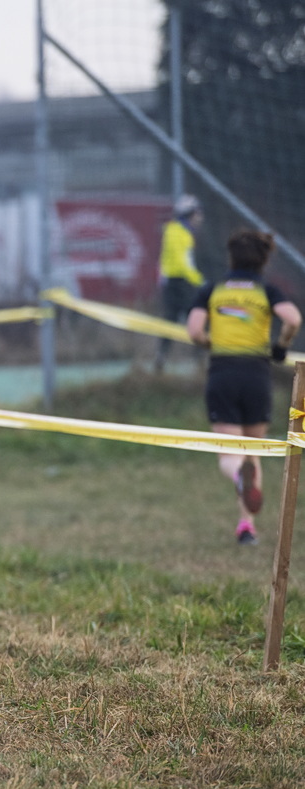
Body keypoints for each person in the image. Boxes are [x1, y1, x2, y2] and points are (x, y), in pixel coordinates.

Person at [186, 229, 301, 545]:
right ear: (263, 260)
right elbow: (292, 319)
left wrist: (210, 342)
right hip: (256, 375)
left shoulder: (212, 290)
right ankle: (246, 527)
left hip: (223, 373)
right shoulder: (267, 290)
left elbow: (194, 330)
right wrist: (281, 346)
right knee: (253, 451)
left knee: (229, 452)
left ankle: (238, 474)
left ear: (231, 258)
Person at [156, 194, 205, 373]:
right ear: (190, 214)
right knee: (191, 319)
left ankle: (164, 358)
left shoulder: (180, 232)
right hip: (179, 283)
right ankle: (198, 360)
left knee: (173, 320)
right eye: (198, 213)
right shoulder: (179, 232)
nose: (200, 217)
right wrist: (199, 281)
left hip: (176, 283)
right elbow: (182, 264)